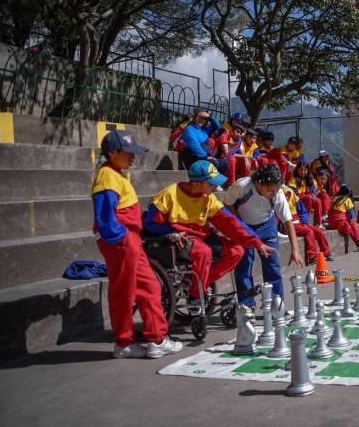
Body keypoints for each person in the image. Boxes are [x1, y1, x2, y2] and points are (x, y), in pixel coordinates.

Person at [92, 130, 182, 359]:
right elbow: (105, 217)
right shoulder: (107, 175)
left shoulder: (118, 174)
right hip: (122, 241)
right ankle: (124, 343)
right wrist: (121, 238)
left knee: (150, 285)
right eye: (128, 152)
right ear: (113, 152)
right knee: (124, 292)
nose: (133, 157)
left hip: (130, 240)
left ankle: (156, 339)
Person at [144, 161, 275, 308]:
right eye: (212, 184)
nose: (216, 188)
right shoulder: (169, 194)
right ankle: (196, 294)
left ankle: (200, 283)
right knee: (203, 251)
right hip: (178, 239)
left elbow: (231, 222)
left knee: (236, 251)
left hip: (200, 236)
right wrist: (172, 233)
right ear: (196, 183)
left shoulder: (208, 198)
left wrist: (257, 242)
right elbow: (150, 224)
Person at [223, 164, 305, 308]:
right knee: (244, 264)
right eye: (269, 190)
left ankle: (276, 303)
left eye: (276, 190)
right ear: (258, 183)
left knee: (272, 264)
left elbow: (287, 221)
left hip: (266, 226)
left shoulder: (277, 194)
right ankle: (246, 304)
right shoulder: (243, 186)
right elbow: (227, 204)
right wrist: (240, 223)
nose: (273, 193)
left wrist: (295, 250)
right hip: (245, 226)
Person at [282, 185, 333, 265]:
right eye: (286, 194)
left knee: (319, 231)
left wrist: (305, 223)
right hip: (290, 226)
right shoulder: (280, 202)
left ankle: (326, 253)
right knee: (309, 232)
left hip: (300, 223)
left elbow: (303, 213)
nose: (288, 196)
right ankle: (312, 257)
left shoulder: (296, 199)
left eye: (289, 194)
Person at [328, 185, 359, 251]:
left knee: (350, 224)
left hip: (332, 223)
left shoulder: (333, 199)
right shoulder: (347, 199)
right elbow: (351, 215)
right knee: (352, 223)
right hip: (341, 223)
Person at [288, 162, 323, 226]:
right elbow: (292, 192)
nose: (303, 172)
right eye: (301, 169)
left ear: (307, 170)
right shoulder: (293, 179)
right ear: (297, 170)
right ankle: (305, 220)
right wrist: (307, 195)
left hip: (308, 197)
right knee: (308, 198)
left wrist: (312, 195)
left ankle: (319, 223)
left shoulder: (309, 179)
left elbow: (313, 192)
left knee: (318, 201)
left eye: (305, 170)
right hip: (297, 200)